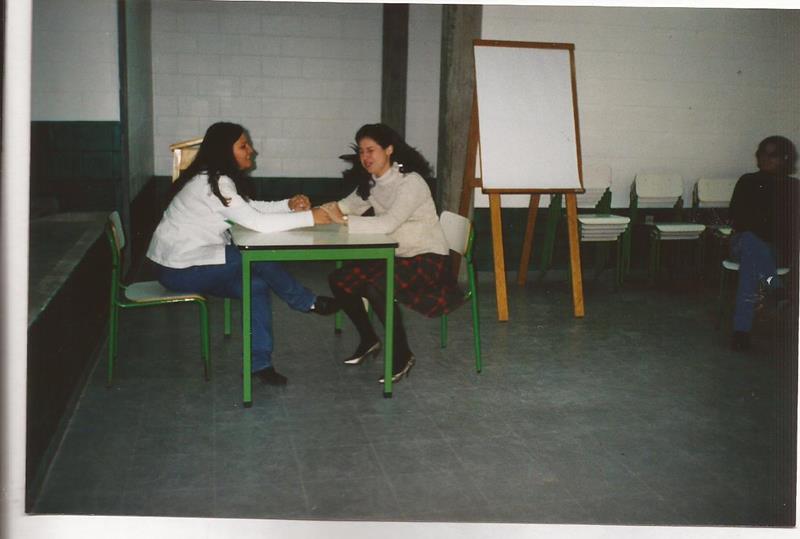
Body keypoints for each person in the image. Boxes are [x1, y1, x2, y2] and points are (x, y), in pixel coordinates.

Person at [147, 122, 338, 385]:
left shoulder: (213, 179)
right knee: (257, 258)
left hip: (187, 263)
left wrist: (289, 205)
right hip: (178, 269)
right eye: (243, 145)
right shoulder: (212, 184)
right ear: (225, 151)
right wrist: (310, 217)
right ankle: (306, 302)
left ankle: (260, 364)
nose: (251, 150)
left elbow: (249, 209)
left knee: (256, 286)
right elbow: (257, 223)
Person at [320, 123, 464, 383]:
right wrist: (305, 211)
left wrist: (344, 221)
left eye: (371, 150)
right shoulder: (372, 182)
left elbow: (388, 223)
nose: (365, 157)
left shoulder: (411, 182)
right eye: (361, 151)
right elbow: (343, 206)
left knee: (377, 286)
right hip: (398, 255)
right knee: (339, 280)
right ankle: (369, 339)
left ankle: (402, 354)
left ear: (388, 150)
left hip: (429, 259)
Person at [728, 135, 798, 351]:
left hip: (773, 249)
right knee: (751, 242)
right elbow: (738, 218)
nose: (765, 158)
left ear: (786, 158)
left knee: (751, 262)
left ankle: (742, 331)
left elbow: (791, 225)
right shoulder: (747, 181)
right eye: (762, 153)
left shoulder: (794, 187)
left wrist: (761, 228)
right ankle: (775, 288)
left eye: (772, 155)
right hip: (743, 242)